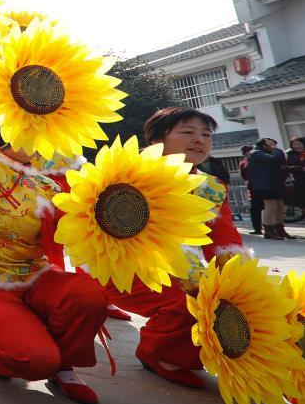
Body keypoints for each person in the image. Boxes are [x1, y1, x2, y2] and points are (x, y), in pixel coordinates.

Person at [0, 128, 107, 404]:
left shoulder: (49, 185)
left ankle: (63, 367)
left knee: (88, 296)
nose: (28, 136)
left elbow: (74, 230)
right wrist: (2, 128)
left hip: (35, 277)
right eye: (20, 127)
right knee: (36, 361)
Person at [106, 108, 251, 388]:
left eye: (206, 134)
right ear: (158, 138)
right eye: (188, 132)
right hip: (127, 267)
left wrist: (240, 279)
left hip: (180, 269)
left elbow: (224, 238)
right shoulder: (129, 171)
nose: (199, 140)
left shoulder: (211, 187)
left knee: (236, 305)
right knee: (196, 302)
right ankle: (156, 351)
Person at [248, 138, 293, 240]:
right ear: (263, 144)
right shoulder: (256, 153)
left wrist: (275, 151)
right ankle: (268, 231)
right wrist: (277, 150)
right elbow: (273, 159)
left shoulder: (269, 153)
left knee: (279, 206)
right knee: (271, 206)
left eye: (274, 143)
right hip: (264, 184)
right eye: (270, 143)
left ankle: (280, 229)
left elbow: (281, 160)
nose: (273, 145)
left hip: (274, 183)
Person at [238, 144, 263, 235]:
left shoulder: (261, 159)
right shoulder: (243, 163)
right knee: (255, 209)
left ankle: (271, 227)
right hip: (252, 187)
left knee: (268, 207)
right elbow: (244, 176)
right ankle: (257, 228)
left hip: (264, 186)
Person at [287, 137, 305, 210]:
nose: (296, 146)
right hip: (300, 182)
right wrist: (301, 168)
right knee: (304, 204)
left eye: (298, 144)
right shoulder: (290, 154)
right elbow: (287, 167)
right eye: (294, 144)